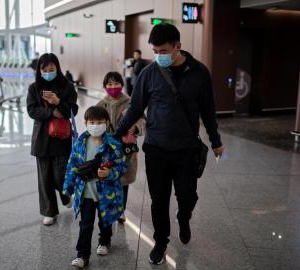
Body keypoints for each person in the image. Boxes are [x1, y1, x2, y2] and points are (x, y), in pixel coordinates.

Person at [115, 24, 224, 265]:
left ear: (178, 47)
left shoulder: (199, 72)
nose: (159, 55)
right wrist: (117, 134)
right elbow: (135, 108)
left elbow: (207, 110)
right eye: (155, 50)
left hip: (186, 149)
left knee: (188, 196)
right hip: (156, 148)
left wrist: (215, 141)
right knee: (159, 199)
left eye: (163, 50)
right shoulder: (149, 73)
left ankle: (183, 216)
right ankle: (161, 241)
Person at [63, 106, 127, 269]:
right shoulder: (80, 143)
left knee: (105, 220)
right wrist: (68, 189)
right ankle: (82, 254)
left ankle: (104, 241)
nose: (96, 125)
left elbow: (122, 167)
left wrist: (109, 173)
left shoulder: (113, 145)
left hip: (107, 194)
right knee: (86, 223)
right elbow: (72, 166)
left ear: (106, 123)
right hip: (86, 193)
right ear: (85, 123)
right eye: (92, 122)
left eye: (100, 122)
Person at [26, 53, 78, 226]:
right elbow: (32, 110)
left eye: (51, 69)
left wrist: (58, 102)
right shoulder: (34, 88)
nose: (48, 72)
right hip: (42, 138)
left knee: (60, 175)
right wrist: (50, 112)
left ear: (57, 68)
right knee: (44, 178)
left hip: (61, 138)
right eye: (45, 70)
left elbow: (73, 109)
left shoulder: (67, 86)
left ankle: (65, 195)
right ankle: (49, 211)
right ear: (39, 70)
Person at [96, 71, 145, 223]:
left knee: (123, 180)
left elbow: (141, 120)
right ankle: (111, 206)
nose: (113, 87)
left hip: (125, 150)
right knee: (108, 178)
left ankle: (121, 209)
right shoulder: (101, 104)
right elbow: (93, 121)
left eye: (116, 83)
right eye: (109, 84)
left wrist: (136, 128)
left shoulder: (131, 102)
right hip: (107, 149)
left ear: (122, 85)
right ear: (104, 86)